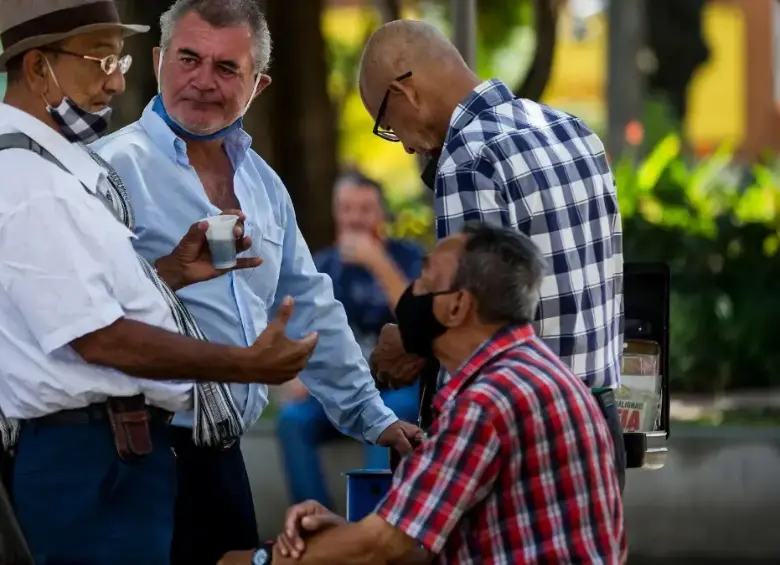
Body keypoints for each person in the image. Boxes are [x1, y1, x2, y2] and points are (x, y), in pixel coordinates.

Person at [90, 2, 422, 564]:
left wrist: (375, 418)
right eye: (188, 59)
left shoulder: (263, 184)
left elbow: (309, 306)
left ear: (257, 86)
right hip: (130, 457)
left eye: (227, 68)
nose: (203, 80)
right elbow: (81, 315)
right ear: (159, 59)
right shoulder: (108, 169)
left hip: (221, 458)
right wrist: (168, 272)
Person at [0, 1, 319, 563]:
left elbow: (84, 302)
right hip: (87, 459)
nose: (117, 81)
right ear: (37, 68)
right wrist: (246, 364)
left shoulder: (56, 170)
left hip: (115, 457)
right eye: (101, 61)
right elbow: (100, 337)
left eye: (118, 61)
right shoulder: (32, 181)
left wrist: (169, 273)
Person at [219, 223, 627, 565]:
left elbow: (383, 546)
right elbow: (415, 538)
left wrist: (259, 559)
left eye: (426, 278)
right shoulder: (533, 371)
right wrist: (343, 534)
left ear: (456, 306)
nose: (411, 291)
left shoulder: (486, 403)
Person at [359, 19, 627, 489]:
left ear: (405, 92)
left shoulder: (469, 158)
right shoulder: (572, 130)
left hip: (522, 433)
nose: (404, 145)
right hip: (599, 423)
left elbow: (469, 324)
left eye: (388, 126)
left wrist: (411, 341)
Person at [277, 170, 424, 507]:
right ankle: (315, 520)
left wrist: (377, 262)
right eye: (347, 209)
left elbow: (418, 320)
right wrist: (297, 375)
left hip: (396, 384)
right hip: (341, 387)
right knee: (292, 420)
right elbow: (298, 329)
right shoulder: (321, 266)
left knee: (390, 413)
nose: (355, 218)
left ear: (383, 214)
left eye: (365, 209)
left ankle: (372, 519)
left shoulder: (409, 258)